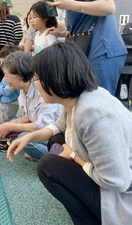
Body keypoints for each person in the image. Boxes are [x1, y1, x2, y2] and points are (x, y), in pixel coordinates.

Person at [7, 42, 132, 225]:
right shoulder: (77, 99)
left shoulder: (92, 114)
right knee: (56, 140)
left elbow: (117, 182)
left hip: (123, 194)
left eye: (37, 79)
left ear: (54, 78)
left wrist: (73, 156)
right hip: (116, 180)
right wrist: (29, 137)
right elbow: (57, 127)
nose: (36, 85)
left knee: (48, 165)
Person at [47, 0, 127, 96]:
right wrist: (60, 33)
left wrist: (71, 5)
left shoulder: (71, 4)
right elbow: (80, 25)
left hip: (101, 49)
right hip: (89, 49)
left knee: (97, 100)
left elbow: (109, 6)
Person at [0, 51, 61, 156]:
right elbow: (29, 116)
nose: (5, 79)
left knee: (22, 137)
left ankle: (57, 158)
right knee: (13, 126)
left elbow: (43, 125)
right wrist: (11, 124)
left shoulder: (42, 90)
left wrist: (11, 127)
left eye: (6, 75)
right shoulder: (24, 89)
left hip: (56, 134)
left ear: (20, 76)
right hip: (44, 129)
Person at [0, 0, 23, 116]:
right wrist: (13, 44)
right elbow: (19, 35)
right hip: (8, 52)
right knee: (9, 77)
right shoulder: (14, 19)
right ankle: (9, 104)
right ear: (11, 7)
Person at [0, 44, 21, 125]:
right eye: (0, 61)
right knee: (2, 118)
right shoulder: (6, 75)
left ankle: (7, 132)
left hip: (9, 103)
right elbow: (2, 88)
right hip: (4, 102)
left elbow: (8, 91)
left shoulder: (13, 75)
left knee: (6, 119)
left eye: (2, 61)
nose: (1, 64)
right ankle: (3, 130)